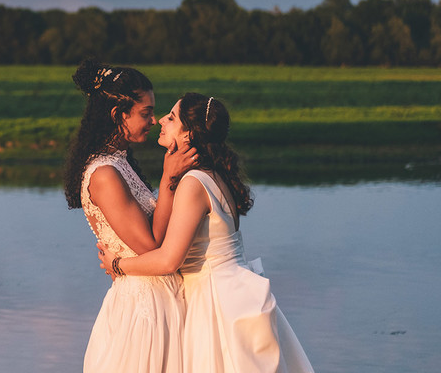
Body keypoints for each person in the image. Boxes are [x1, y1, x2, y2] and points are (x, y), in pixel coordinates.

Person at [98, 93, 314, 373]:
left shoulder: (193, 183)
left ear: (188, 135)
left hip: (215, 303)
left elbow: (168, 260)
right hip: (231, 291)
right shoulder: (211, 174)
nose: (161, 119)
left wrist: (117, 264)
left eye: (172, 118)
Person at [64, 59, 196, 373]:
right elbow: (150, 247)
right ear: (118, 115)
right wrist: (168, 179)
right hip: (142, 309)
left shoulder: (120, 161)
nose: (153, 120)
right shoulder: (105, 174)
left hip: (157, 297)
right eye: (146, 112)